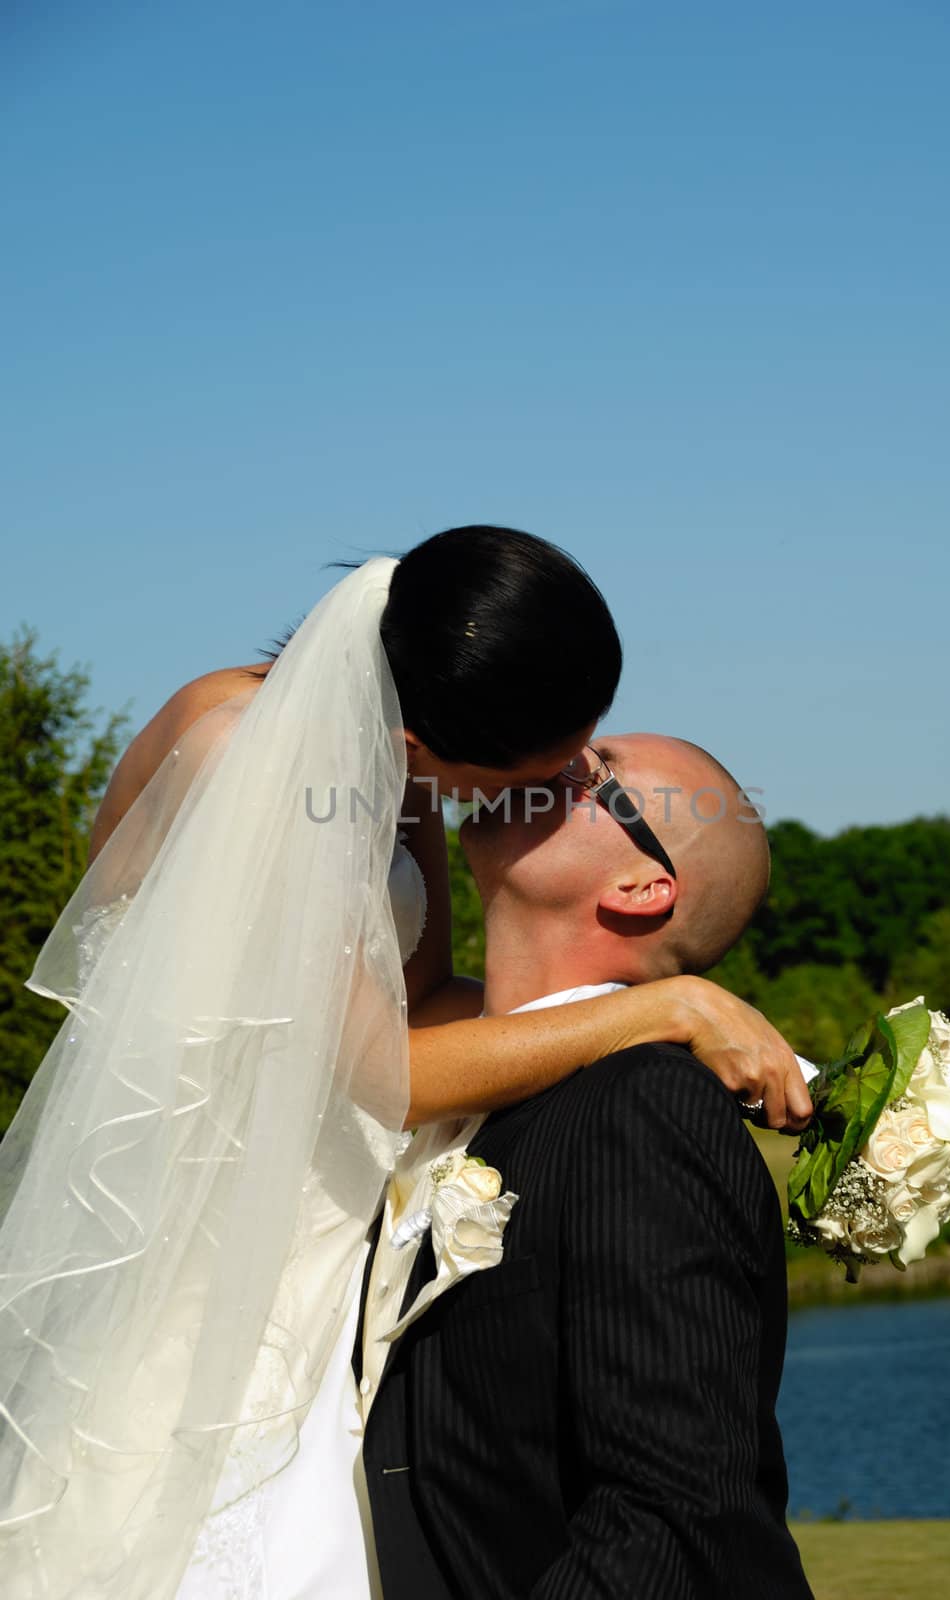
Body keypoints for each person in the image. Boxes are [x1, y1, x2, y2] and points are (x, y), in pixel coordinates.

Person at [0, 528, 810, 1598]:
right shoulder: (243, 749)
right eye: (548, 764)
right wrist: (664, 1006)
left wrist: (606, 1016)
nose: (562, 775)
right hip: (218, 1240)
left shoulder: (392, 764)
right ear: (429, 735)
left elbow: (416, 1000)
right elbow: (386, 1073)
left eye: (588, 763)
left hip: (332, 1232)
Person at [357, 733, 814, 1597]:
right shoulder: (454, 1084)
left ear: (641, 887)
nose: (546, 760)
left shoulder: (645, 1106)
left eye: (596, 768)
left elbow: (673, 1515)